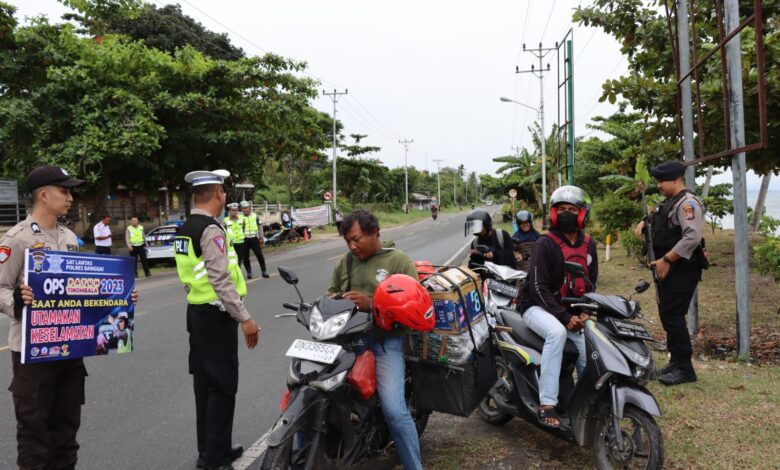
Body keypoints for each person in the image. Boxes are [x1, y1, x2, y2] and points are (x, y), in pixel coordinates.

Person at [0, 165, 138, 470]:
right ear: (44, 195)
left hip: (70, 348)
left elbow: (82, 290)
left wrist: (119, 299)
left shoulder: (70, 239)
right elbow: (1, 287)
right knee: (35, 436)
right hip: (33, 353)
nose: (71, 197)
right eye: (64, 191)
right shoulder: (18, 238)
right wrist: (18, 304)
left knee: (66, 431)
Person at [175, 170, 260, 470]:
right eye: (224, 193)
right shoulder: (211, 229)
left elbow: (191, 275)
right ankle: (215, 460)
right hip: (215, 317)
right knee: (223, 387)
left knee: (205, 387)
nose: (226, 198)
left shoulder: (184, 228)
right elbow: (220, 279)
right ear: (217, 195)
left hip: (196, 315)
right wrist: (245, 317)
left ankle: (212, 450)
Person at [327, 210, 423, 470]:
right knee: (315, 392)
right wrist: (336, 300)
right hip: (347, 342)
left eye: (356, 239)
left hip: (384, 342)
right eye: (347, 241)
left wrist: (371, 304)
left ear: (375, 233)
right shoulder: (345, 262)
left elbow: (413, 304)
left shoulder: (398, 261)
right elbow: (331, 293)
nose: (352, 246)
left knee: (394, 410)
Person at [519, 185, 598, 428]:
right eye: (561, 209)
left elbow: (591, 283)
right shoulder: (545, 243)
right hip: (535, 306)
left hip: (569, 311)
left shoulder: (589, 244)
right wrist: (564, 317)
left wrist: (585, 312)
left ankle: (587, 402)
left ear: (582, 213)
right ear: (553, 214)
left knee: (591, 346)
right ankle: (547, 403)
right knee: (557, 333)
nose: (566, 213)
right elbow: (537, 286)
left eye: (572, 209)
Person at [635, 160, 705, 386]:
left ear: (676, 179)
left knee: (674, 316)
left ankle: (685, 368)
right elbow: (662, 220)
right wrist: (644, 223)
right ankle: (676, 362)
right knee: (668, 314)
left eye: (661, 181)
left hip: (682, 269)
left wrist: (666, 260)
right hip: (670, 269)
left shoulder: (688, 204)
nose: (659, 186)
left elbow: (692, 238)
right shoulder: (672, 202)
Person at [240, 201, 269, 279]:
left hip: (254, 239)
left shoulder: (255, 216)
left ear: (249, 208)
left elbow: (260, 227)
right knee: (245, 257)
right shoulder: (239, 217)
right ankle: (249, 272)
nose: (244, 210)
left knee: (259, 255)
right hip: (244, 239)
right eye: (243, 208)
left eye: (246, 208)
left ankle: (264, 271)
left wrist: (261, 237)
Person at [223, 203, 247, 276]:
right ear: (229, 211)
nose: (235, 212)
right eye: (233, 210)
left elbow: (243, 229)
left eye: (236, 210)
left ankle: (238, 274)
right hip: (231, 244)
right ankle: (231, 274)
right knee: (231, 260)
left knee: (239, 260)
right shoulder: (225, 220)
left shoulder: (242, 219)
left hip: (240, 243)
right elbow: (224, 232)